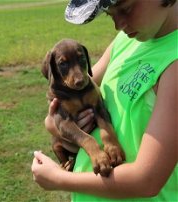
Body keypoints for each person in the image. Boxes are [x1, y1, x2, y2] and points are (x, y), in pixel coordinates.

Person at [31, 0, 178, 201]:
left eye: (125, 9)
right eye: (110, 14)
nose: (118, 24)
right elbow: (57, 112)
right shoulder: (127, 41)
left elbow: (147, 180)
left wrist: (59, 179)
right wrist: (58, 128)